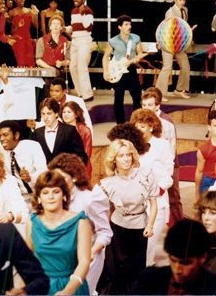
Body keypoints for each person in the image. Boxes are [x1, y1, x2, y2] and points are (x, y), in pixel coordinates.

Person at [97, 139, 158, 294]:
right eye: (121, 156)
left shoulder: (146, 175)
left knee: (136, 271)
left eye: (128, 155)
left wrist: (150, 225)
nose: (126, 159)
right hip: (117, 229)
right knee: (115, 272)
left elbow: (153, 203)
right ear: (114, 160)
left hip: (140, 228)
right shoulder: (108, 183)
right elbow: (102, 210)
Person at [47, 154, 112, 293]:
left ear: (74, 177)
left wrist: (91, 253)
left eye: (62, 178)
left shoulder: (91, 199)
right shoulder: (55, 197)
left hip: (89, 258)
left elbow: (105, 233)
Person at [26, 170, 92, 295]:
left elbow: (84, 263)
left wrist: (68, 291)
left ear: (64, 195)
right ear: (39, 198)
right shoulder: (32, 223)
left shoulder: (81, 222)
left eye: (56, 192)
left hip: (72, 286)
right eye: (45, 192)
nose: (51, 197)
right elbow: (28, 262)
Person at [133, 218, 216, 295]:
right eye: (173, 260)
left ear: (202, 258)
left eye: (185, 263)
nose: (177, 270)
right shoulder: (149, 279)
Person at [130, 108, 174, 266]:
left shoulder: (162, 145)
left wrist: (154, 192)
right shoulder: (131, 146)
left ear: (151, 126)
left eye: (142, 126)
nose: (138, 129)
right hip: (135, 203)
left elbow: (168, 174)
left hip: (157, 201)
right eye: (136, 126)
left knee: (148, 246)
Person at [141, 87, 183, 225]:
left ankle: (179, 227)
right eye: (144, 105)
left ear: (157, 105)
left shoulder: (166, 123)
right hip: (149, 164)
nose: (146, 108)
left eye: (149, 105)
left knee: (174, 197)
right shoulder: (140, 119)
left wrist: (165, 174)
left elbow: (171, 149)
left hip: (167, 164)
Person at [103, 14, 144, 123]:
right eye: (126, 24)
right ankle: (120, 124)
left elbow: (140, 53)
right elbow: (106, 57)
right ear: (120, 27)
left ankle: (137, 122)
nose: (129, 27)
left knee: (137, 96)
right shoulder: (113, 41)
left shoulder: (136, 38)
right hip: (118, 70)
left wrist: (137, 58)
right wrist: (105, 71)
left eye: (130, 24)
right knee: (118, 97)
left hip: (131, 69)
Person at [156, 0, 194, 100]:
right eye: (180, 0)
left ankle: (179, 90)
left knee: (185, 66)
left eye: (184, 0)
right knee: (167, 67)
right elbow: (166, 29)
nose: (182, 2)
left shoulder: (185, 10)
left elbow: (183, 27)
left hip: (180, 44)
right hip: (168, 43)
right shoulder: (170, 12)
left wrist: (189, 34)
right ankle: (159, 94)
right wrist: (160, 41)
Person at [0, 120, 47, 202]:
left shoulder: (32, 146)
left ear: (16, 135)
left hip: (39, 195)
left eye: (5, 135)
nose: (1, 139)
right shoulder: (1, 154)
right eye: (0, 136)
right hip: (19, 199)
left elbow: (43, 170)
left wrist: (30, 178)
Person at [33, 98, 88, 164]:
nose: (45, 117)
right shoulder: (37, 133)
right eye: (43, 114)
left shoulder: (70, 131)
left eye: (49, 113)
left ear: (56, 113)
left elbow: (82, 156)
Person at [66, 0, 94, 102]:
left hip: (84, 41)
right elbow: (74, 27)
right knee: (72, 67)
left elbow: (88, 27)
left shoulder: (88, 11)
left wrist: (82, 14)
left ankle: (88, 94)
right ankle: (81, 93)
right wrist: (65, 29)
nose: (75, 0)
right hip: (75, 41)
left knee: (82, 67)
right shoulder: (73, 11)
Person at [194, 110, 216, 200]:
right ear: (209, 127)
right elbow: (199, 172)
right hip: (209, 181)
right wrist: (196, 194)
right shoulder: (203, 150)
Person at [61, 101, 93, 177]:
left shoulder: (85, 130)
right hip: (64, 168)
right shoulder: (60, 130)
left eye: (69, 112)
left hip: (82, 168)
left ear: (76, 114)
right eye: (64, 112)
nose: (65, 114)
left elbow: (87, 153)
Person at [9, 0, 38, 67]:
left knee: (29, 60)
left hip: (27, 38)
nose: (22, 1)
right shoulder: (11, 12)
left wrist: (35, 14)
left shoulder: (29, 11)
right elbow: (10, 31)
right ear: (15, 0)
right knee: (20, 60)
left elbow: (36, 26)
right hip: (17, 39)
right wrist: (18, 26)